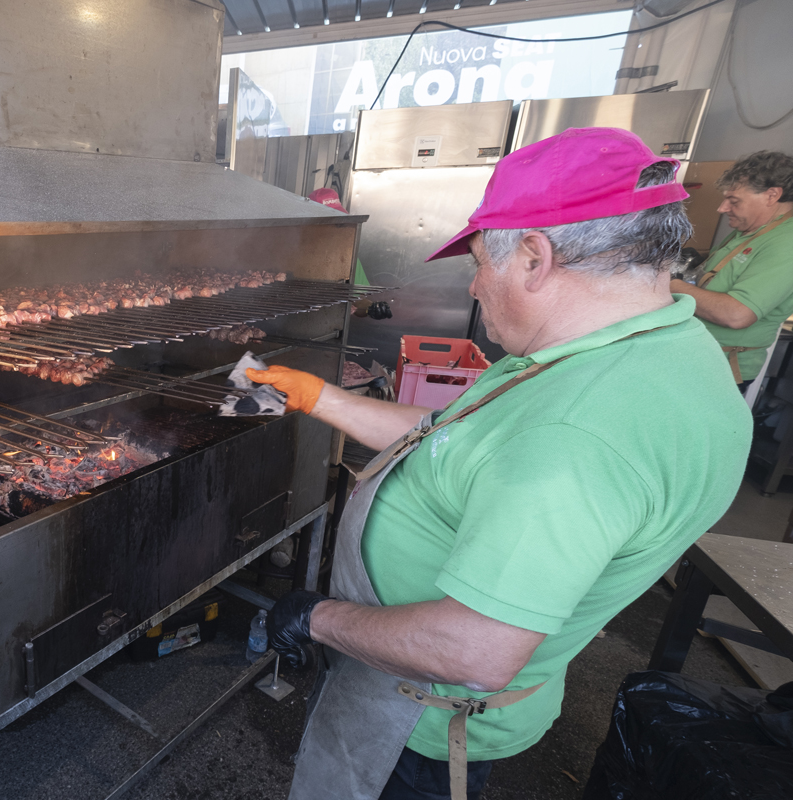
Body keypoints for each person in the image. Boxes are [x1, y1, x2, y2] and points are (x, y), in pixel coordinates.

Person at [247, 128, 751, 800]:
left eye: (481, 262)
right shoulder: (645, 351)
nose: (477, 287)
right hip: (422, 687)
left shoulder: (577, 436)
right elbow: (460, 436)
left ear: (536, 257)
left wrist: (315, 618)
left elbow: (473, 651)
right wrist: (320, 398)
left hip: (417, 716)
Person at [670, 151, 793, 393]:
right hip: (693, 358)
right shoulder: (749, 230)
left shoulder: (786, 241)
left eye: (734, 201)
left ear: (772, 195)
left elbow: (737, 314)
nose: (722, 208)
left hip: (718, 371)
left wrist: (670, 284)